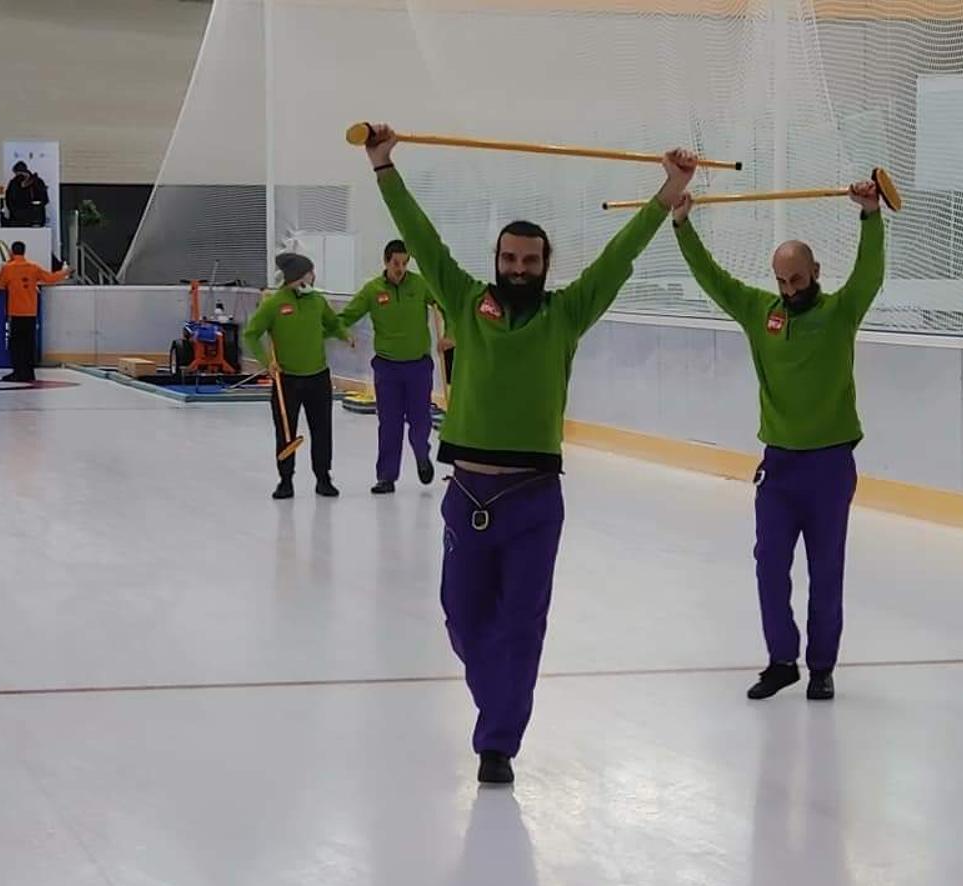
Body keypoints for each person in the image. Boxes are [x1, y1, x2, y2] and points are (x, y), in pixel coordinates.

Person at [363, 123, 697, 784]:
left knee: (521, 624)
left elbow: (619, 256)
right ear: (497, 262)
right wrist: (382, 163)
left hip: (534, 500)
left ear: (545, 266)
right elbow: (422, 236)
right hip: (467, 495)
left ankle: (498, 742)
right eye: (510, 260)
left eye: (530, 261)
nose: (519, 269)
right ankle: (500, 701)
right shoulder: (462, 301)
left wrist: (670, 189)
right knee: (462, 617)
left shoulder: (566, 314)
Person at [671, 178, 886, 702]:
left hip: (831, 467)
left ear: (815, 273)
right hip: (779, 468)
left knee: (826, 569)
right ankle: (781, 659)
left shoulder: (840, 312)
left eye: (796, 278)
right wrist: (681, 225)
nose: (789, 288)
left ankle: (821, 667)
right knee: (769, 563)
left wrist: (870, 215)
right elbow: (712, 280)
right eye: (781, 281)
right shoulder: (759, 313)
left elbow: (870, 274)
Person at [243, 252, 351, 500]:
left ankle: (323, 478)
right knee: (286, 432)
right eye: (310, 273)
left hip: (318, 377)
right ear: (298, 277)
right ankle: (285, 480)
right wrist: (266, 362)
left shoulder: (317, 301)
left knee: (322, 430)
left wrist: (345, 335)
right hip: (287, 380)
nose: (313, 277)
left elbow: (333, 324)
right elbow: (251, 334)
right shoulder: (273, 303)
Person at [339, 239, 439, 494]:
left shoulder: (419, 284)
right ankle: (386, 476)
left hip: (418, 366)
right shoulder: (372, 290)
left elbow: (446, 306)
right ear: (386, 261)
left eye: (405, 263)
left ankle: (421, 454)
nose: (401, 268)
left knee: (420, 421)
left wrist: (450, 335)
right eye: (396, 263)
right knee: (389, 423)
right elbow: (346, 317)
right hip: (387, 368)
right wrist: (338, 332)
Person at [0, 240, 71, 382]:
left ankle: (18, 372)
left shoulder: (7, 268)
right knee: (29, 344)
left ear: (12, 252)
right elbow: (50, 278)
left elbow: (0, 285)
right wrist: (65, 272)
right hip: (31, 312)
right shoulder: (33, 267)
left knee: (16, 345)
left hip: (15, 312)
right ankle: (29, 373)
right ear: (24, 251)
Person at [5, 161, 50, 227]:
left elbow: (44, 199)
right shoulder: (14, 184)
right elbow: (9, 200)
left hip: (34, 219)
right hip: (17, 220)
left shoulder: (37, 182)